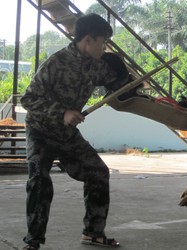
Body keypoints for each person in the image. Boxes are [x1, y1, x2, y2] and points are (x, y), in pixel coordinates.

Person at [21, 14, 125, 249]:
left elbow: (117, 81)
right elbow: (29, 98)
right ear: (89, 40)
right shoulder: (56, 63)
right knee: (39, 180)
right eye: (103, 41)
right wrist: (63, 112)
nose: (104, 47)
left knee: (98, 172)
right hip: (41, 130)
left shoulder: (96, 67)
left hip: (66, 135)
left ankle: (93, 232)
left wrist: (125, 78)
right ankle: (33, 241)